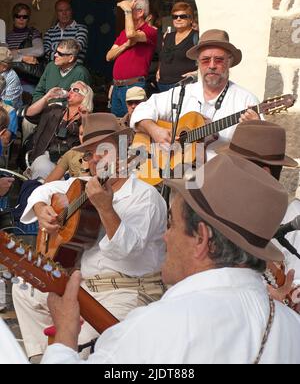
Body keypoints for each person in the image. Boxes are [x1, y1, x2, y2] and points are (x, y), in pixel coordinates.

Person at [40, 155, 300, 364]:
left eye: (172, 224)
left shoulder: (155, 328)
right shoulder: (292, 326)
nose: (164, 237)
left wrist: (65, 334)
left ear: (201, 239)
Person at [13, 113, 167, 360]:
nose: (95, 160)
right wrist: (42, 210)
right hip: (83, 287)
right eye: (89, 154)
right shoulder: (80, 184)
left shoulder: (144, 196)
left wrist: (105, 208)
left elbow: (128, 251)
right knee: (25, 289)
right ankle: (42, 357)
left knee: (83, 349)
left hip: (127, 292)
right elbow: (43, 191)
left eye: (103, 151)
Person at [130, 29, 260, 162]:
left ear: (229, 62)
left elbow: (259, 151)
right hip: (176, 172)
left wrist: (255, 131)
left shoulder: (246, 101)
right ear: (198, 63)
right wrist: (155, 131)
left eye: (219, 60)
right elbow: (140, 111)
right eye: (205, 60)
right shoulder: (182, 92)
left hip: (220, 173)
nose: (212, 66)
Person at [216, 120, 300, 300]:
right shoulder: (221, 209)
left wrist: (273, 297)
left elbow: (295, 288)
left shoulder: (293, 218)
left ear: (263, 173)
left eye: (233, 165)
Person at [22, 39, 91, 144]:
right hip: (44, 110)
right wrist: (43, 104)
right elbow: (38, 92)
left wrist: (57, 105)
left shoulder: (81, 73)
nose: (55, 55)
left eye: (60, 53)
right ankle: (28, 151)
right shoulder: (50, 67)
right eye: (56, 51)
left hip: (63, 116)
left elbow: (81, 101)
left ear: (71, 58)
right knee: (27, 121)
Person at [24, 80, 93, 179]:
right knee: (43, 168)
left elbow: (89, 141)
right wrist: (47, 97)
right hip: (46, 155)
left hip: (69, 162)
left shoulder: (88, 118)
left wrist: (85, 117)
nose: (70, 91)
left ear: (85, 97)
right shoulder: (55, 109)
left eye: (75, 90)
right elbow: (29, 114)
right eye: (70, 89)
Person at [106, 0, 157, 118]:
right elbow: (109, 56)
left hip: (134, 86)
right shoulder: (124, 33)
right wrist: (126, 45)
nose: (125, 14)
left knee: (134, 124)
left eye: (127, 11)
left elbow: (131, 34)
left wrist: (128, 11)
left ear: (140, 12)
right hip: (117, 86)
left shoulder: (150, 31)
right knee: (118, 126)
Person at [157, 2, 199, 92]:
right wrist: (159, 70)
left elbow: (204, 59)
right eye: (175, 17)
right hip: (162, 85)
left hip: (183, 86)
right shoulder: (168, 36)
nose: (178, 19)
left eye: (182, 16)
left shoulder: (196, 36)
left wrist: (196, 73)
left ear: (191, 19)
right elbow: (163, 57)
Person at [6, 3, 44, 92]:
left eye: (25, 17)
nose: (21, 19)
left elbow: (39, 51)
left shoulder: (34, 33)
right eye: (18, 16)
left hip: (28, 79)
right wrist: (23, 58)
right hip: (10, 80)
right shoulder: (7, 37)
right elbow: (4, 57)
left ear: (28, 19)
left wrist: (16, 52)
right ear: (13, 18)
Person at [43, 0, 88, 64]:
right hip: (54, 70)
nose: (64, 13)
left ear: (71, 11)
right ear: (56, 13)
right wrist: (67, 52)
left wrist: (54, 46)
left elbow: (76, 48)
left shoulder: (81, 29)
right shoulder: (49, 32)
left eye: (67, 10)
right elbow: (46, 52)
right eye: (60, 11)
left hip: (74, 70)